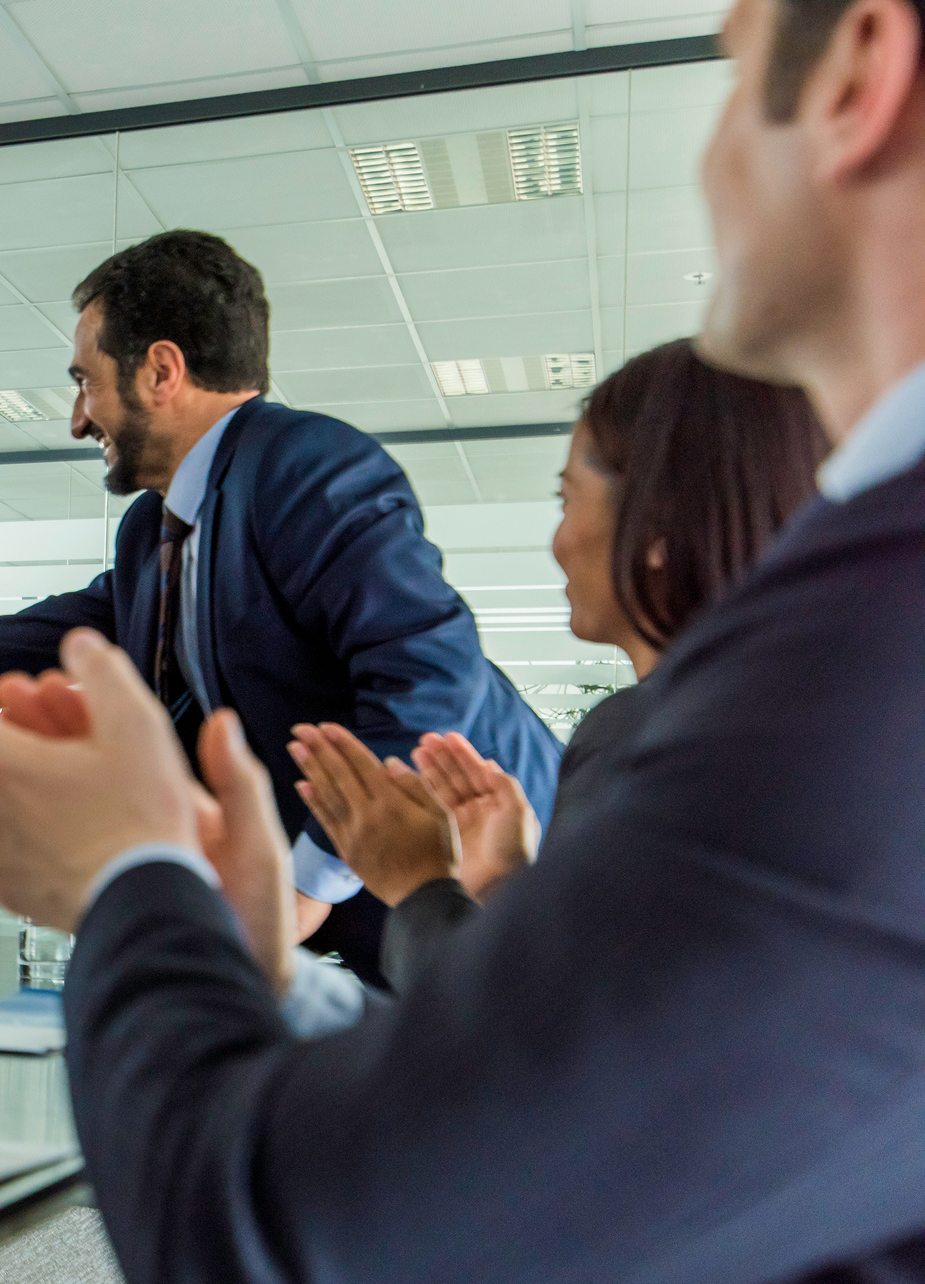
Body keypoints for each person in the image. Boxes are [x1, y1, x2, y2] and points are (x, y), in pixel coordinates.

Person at [0, 0, 925, 1284]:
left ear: (860, 77)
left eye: (732, 75)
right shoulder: (153, 538)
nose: (712, 151)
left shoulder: (847, 662)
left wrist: (154, 885)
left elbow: (285, 1267)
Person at [0, 231, 561, 984]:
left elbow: (426, 681)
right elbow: (39, 643)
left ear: (161, 370)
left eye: (87, 381)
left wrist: (301, 885)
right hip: (358, 923)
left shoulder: (305, 467)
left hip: (493, 888)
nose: (80, 419)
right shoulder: (156, 528)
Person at [288, 339, 827, 992]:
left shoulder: (643, 737)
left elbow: (524, 1026)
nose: (558, 541)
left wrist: (416, 883)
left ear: (655, 529)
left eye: (568, 501)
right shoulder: (781, 723)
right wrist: (502, 879)